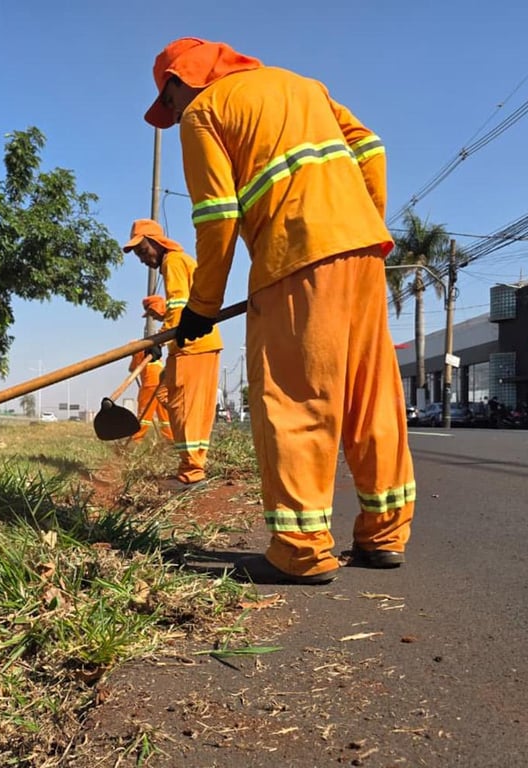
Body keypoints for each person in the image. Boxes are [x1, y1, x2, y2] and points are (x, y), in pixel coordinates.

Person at [142, 37, 415, 585]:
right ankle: (384, 532)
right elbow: (371, 147)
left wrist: (202, 304)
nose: (171, 115)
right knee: (369, 393)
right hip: (363, 250)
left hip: (294, 257)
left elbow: (217, 216)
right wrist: (361, 219)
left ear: (181, 80)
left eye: (167, 102)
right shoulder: (302, 85)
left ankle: (301, 548)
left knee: (296, 396)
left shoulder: (205, 113)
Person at [122, 218, 222, 490]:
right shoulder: (178, 262)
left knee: (184, 409)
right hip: (196, 344)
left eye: (143, 251)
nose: (143, 259)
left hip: (192, 346)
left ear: (155, 242)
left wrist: (159, 340)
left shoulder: (173, 262)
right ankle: (191, 467)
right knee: (187, 409)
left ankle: (192, 474)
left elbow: (177, 307)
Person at [128, 296, 174, 444]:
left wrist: (132, 351)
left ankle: (135, 441)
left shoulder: (140, 348)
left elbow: (133, 369)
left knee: (144, 414)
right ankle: (171, 440)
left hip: (149, 383)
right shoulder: (166, 327)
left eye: (152, 314)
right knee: (165, 414)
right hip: (162, 379)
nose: (153, 318)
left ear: (156, 308)